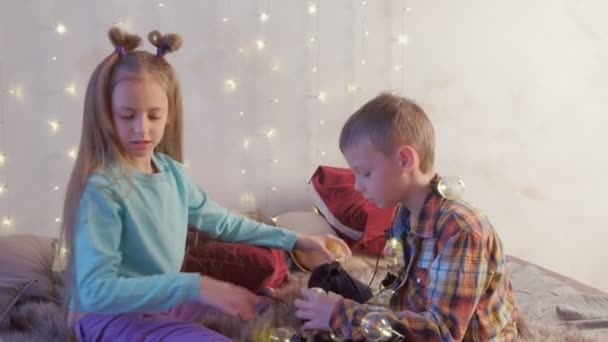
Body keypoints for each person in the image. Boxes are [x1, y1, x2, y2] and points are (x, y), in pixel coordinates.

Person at [62, 27, 351, 341]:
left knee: (268, 314)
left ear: (169, 115)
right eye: (127, 115)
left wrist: (296, 240)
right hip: (107, 317)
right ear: (107, 115)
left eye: (154, 116)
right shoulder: (103, 189)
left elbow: (224, 223)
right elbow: (96, 292)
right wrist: (194, 286)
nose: (141, 129)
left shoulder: (171, 173)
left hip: (161, 305)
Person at [294, 93, 520, 341]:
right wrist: (354, 314)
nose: (357, 186)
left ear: (404, 160)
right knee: (326, 278)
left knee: (336, 314)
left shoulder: (460, 230)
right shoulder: (404, 213)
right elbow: (401, 290)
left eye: (365, 173)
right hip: (410, 313)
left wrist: (339, 314)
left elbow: (443, 333)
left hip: (448, 335)